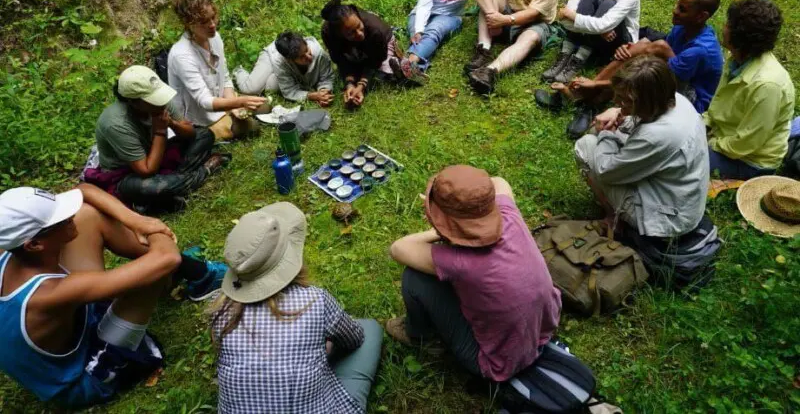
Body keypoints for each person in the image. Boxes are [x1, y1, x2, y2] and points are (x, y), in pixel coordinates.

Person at [0, 183, 226, 407]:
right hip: (82, 376)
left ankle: (190, 274)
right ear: (34, 244)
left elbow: (84, 191)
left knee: (87, 215)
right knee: (153, 271)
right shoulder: (49, 294)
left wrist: (137, 221)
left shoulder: (9, 244)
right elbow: (167, 259)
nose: (69, 216)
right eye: (60, 219)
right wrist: (154, 231)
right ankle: (193, 275)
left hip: (71, 325)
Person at [385, 166, 561, 383]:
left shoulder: (459, 263)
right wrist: (472, 202)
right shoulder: (509, 215)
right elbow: (500, 181)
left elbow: (399, 248)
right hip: (543, 328)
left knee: (415, 278)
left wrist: (438, 231)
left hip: (498, 362)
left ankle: (420, 334)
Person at [210, 202, 382, 414]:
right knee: (370, 329)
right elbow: (353, 339)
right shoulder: (315, 300)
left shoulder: (218, 309)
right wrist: (321, 348)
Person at [537, 0, 724, 139]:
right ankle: (588, 99)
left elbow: (659, 81)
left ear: (701, 17)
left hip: (691, 100)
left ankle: (589, 98)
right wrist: (631, 51)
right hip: (675, 76)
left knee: (654, 50)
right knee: (643, 46)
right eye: (677, 5)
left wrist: (599, 83)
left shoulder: (700, 50)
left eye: (682, 9)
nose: (675, 10)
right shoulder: (683, 28)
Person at [574, 56, 709, 238]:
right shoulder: (676, 100)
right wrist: (618, 112)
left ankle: (614, 219)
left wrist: (606, 133)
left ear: (645, 102)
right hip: (683, 200)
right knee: (609, 133)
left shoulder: (655, 136)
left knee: (587, 145)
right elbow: (639, 123)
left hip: (669, 221)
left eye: (624, 100)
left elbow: (606, 171)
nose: (615, 101)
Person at [86, 66, 227, 214]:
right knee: (154, 187)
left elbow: (190, 133)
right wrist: (160, 131)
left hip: (157, 153)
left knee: (204, 135)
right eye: (153, 99)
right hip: (128, 173)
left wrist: (171, 123)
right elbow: (146, 170)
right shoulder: (116, 123)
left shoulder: (160, 103)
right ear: (133, 102)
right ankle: (204, 170)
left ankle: (171, 189)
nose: (161, 102)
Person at [704, 0, 793, 179]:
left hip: (748, 161)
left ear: (738, 37)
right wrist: (701, 125)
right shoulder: (736, 60)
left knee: (678, 157)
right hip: (724, 138)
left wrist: (710, 143)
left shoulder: (767, 85)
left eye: (728, 24)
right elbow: (718, 106)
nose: (723, 27)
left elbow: (746, 143)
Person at [167, 0, 266, 141]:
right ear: (189, 24)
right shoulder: (181, 55)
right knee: (251, 127)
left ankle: (230, 117)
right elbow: (204, 101)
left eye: (213, 17)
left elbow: (224, 77)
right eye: (204, 22)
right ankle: (211, 132)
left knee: (265, 106)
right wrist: (238, 102)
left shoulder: (215, 38)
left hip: (222, 102)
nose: (212, 25)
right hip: (198, 118)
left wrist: (234, 106)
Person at [320, 0, 410, 109]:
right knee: (353, 69)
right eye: (351, 33)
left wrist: (361, 85)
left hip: (382, 44)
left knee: (383, 73)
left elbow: (376, 60)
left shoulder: (375, 29)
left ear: (359, 18)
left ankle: (396, 63)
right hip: (354, 49)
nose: (359, 34)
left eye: (359, 26)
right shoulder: (328, 33)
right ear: (339, 34)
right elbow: (340, 60)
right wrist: (349, 84)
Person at [233, 32, 335, 107]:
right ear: (289, 60)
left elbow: (327, 77)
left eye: (306, 50)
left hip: (285, 69)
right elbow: (290, 91)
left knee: (271, 86)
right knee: (251, 89)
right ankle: (239, 71)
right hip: (271, 58)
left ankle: (269, 77)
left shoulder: (319, 53)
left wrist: (324, 91)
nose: (308, 57)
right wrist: (312, 96)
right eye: (302, 57)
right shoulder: (280, 61)